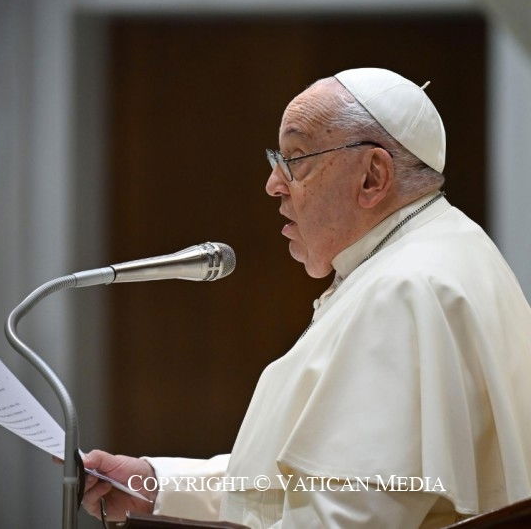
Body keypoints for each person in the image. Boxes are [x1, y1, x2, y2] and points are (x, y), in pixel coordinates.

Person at [81, 68, 531, 528]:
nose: (273, 184)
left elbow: (347, 518)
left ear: (372, 176)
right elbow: (313, 483)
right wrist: (154, 483)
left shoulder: (403, 290)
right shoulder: (439, 250)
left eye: (295, 158)